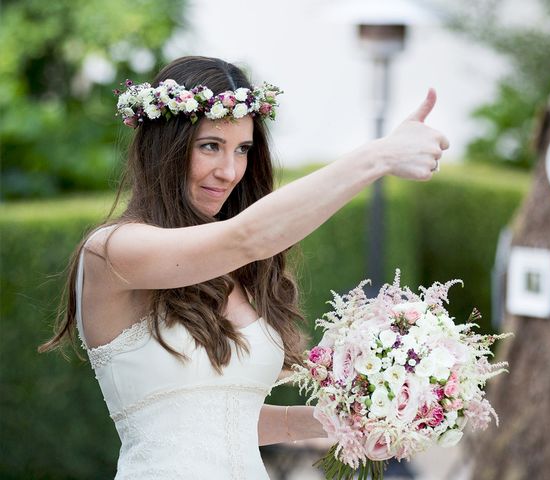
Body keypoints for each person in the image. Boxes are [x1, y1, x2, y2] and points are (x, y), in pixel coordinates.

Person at [39, 56, 448, 479]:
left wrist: (339, 420)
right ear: (166, 146)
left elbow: (217, 419)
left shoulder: (235, 271)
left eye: (243, 150)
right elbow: (248, 235)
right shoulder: (112, 251)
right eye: (210, 146)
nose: (231, 171)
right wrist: (379, 156)